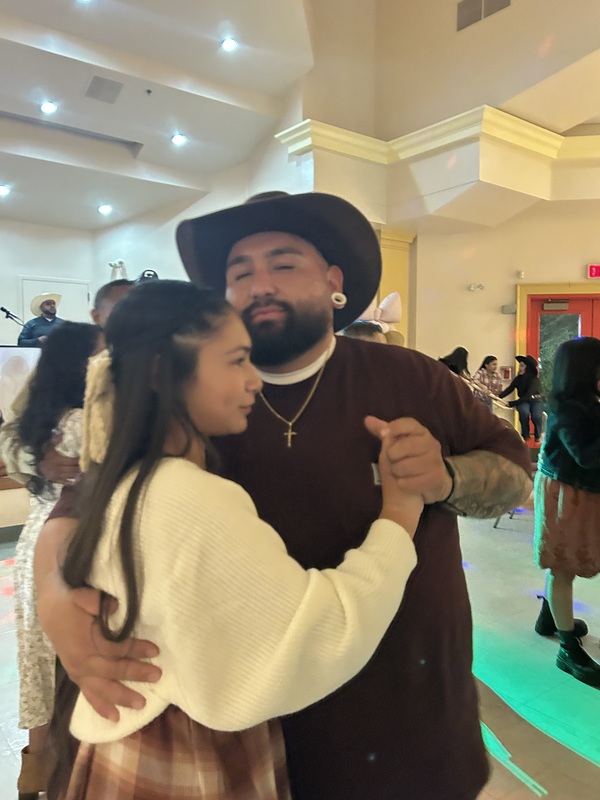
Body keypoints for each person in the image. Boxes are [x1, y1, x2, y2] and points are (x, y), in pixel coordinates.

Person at [36, 192, 532, 800]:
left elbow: (514, 475)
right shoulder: (192, 404)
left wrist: (445, 479)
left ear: (333, 283)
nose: (259, 284)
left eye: (284, 263)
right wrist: (54, 595)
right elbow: (91, 497)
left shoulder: (410, 377)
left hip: (409, 711)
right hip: (251, 729)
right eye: (240, 272)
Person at [50, 279, 421, 799]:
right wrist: (400, 515)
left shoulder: (119, 476)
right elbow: (317, 631)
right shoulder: (187, 497)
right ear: (163, 371)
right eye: (236, 361)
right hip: (181, 749)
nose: (256, 381)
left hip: (129, 736)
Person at [2, 322, 102, 800]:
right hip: (79, 540)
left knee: (38, 659)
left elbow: (13, 439)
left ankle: (34, 767)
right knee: (81, 659)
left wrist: (35, 459)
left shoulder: (41, 411)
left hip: (34, 542)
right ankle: (75, 771)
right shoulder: (96, 416)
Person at [0, 279, 133, 488]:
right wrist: (37, 460)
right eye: (125, 309)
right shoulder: (70, 358)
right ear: (97, 316)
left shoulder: (168, 361)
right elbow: (11, 431)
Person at [533, 337, 600, 687]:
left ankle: (550, 616)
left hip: (577, 490)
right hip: (565, 494)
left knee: (566, 563)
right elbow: (587, 456)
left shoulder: (584, 401)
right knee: (563, 568)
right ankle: (568, 651)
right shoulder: (569, 409)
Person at [499, 354, 544, 441]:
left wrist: (512, 403)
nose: (520, 368)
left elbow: (528, 395)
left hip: (535, 400)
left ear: (528, 368)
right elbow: (509, 389)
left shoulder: (535, 380)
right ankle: (526, 435)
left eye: (522, 366)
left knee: (537, 416)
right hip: (523, 401)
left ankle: (538, 435)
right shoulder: (518, 379)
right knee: (524, 412)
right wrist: (498, 396)